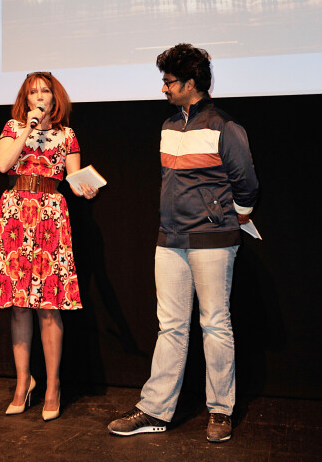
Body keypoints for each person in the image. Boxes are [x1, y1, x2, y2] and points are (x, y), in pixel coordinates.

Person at [108, 44, 259, 443]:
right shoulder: (168, 126)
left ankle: (221, 410)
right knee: (170, 326)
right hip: (169, 240)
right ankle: (155, 409)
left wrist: (234, 217)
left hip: (212, 240)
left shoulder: (225, 127)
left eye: (169, 81)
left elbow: (247, 184)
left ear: (191, 83)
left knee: (214, 324)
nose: (164, 88)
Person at [0, 72, 97, 420]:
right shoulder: (13, 128)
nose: (39, 96)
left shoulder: (67, 135)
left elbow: (74, 180)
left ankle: (52, 386)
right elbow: (3, 165)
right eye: (33, 92)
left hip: (50, 216)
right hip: (15, 214)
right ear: (26, 99)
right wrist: (27, 131)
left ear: (54, 96)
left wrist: (85, 188)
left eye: (45, 90)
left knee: (48, 305)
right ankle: (22, 383)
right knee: (18, 304)